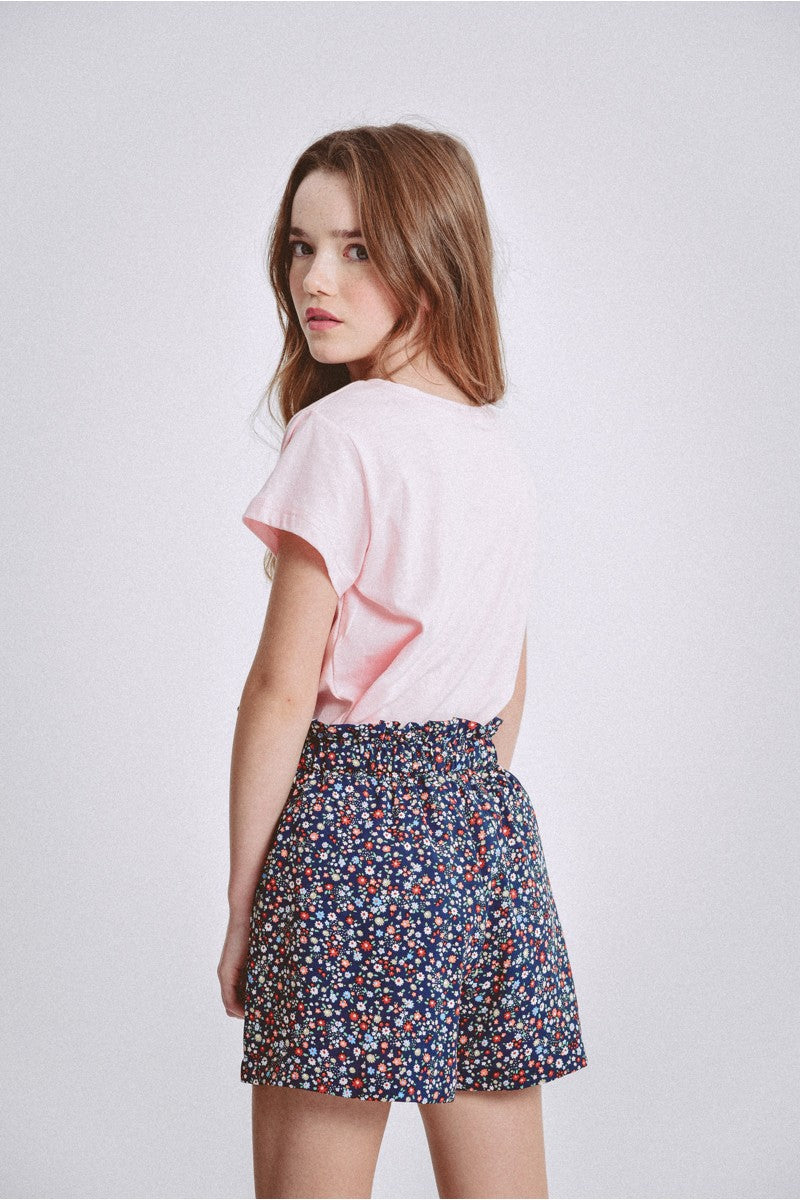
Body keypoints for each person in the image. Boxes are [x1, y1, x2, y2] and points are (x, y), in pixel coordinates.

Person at [217, 122, 588, 1200]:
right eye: (301, 247)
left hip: (348, 843)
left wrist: (246, 905)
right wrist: (451, 814)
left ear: (432, 257)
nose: (313, 280)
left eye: (356, 249)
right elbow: (506, 685)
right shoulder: (494, 448)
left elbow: (281, 688)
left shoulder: (340, 434)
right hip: (485, 841)